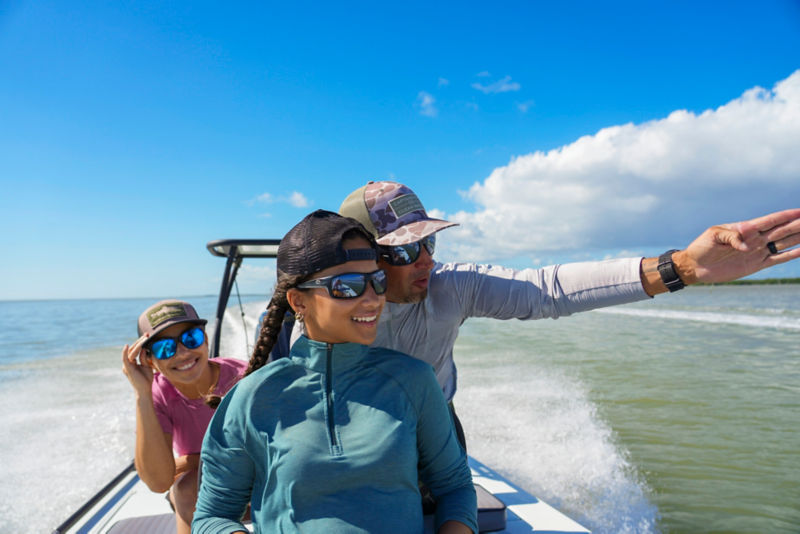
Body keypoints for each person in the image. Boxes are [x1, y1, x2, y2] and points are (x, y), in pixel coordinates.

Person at [278, 181, 800, 446]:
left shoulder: (448, 289)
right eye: (403, 251)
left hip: (428, 432)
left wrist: (683, 267)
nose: (426, 261)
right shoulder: (310, 324)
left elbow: (544, 289)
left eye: (428, 244)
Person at [192, 210, 477, 534]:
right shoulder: (251, 397)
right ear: (298, 301)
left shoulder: (413, 380)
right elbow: (212, 516)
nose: (372, 300)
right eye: (348, 286)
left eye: (377, 281)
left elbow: (455, 487)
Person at [121, 299, 247, 534]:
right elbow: (159, 482)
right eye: (164, 348)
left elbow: (265, 455)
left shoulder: (243, 378)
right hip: (208, 493)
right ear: (150, 360)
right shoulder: (158, 394)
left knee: (185, 486)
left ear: (206, 340)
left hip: (257, 485)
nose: (182, 352)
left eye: (191, 338)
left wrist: (190, 461)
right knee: (184, 489)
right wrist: (142, 393)